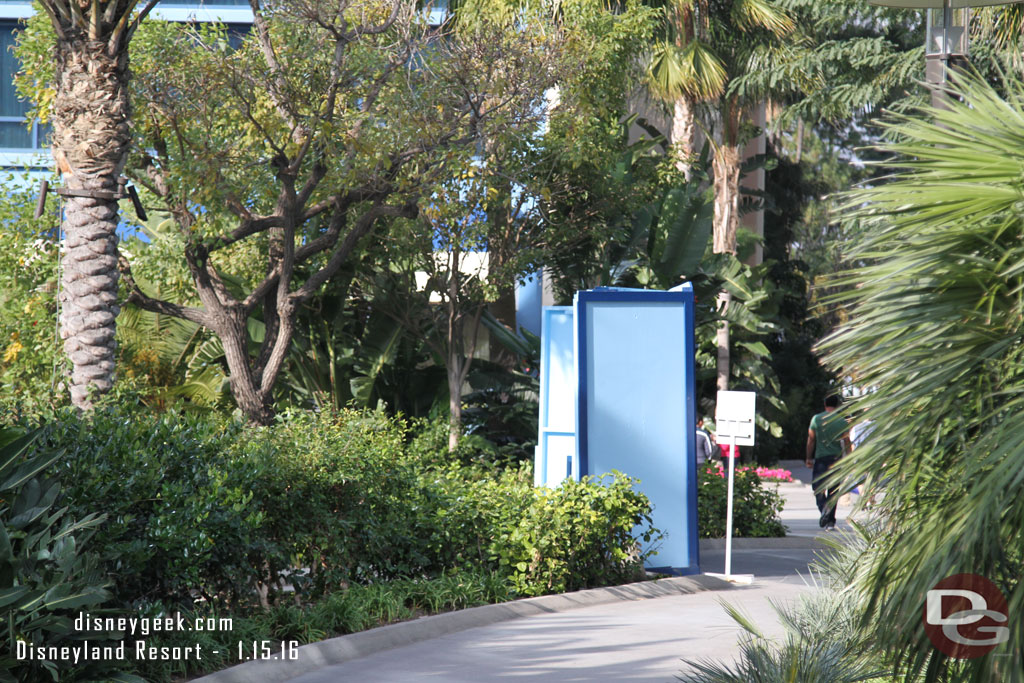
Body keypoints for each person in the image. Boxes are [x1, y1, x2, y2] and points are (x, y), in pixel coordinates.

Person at [805, 394, 850, 530]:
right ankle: (830, 522)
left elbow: (811, 440)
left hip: (821, 460)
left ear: (825, 404)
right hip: (836, 460)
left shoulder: (816, 419)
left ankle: (824, 507)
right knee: (833, 491)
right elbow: (846, 442)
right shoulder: (842, 421)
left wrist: (808, 457)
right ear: (837, 405)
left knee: (818, 488)